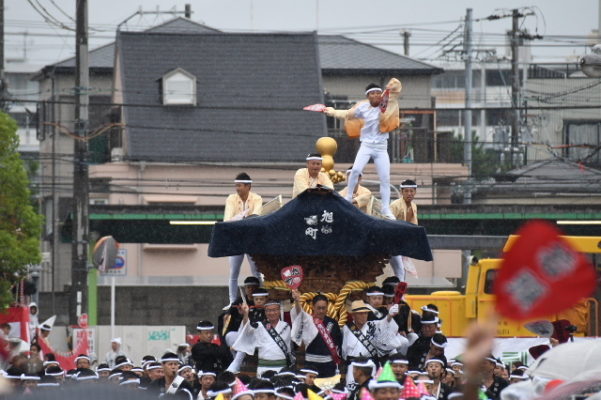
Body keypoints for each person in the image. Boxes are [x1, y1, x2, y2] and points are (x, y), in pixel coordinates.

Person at [324, 79, 402, 219]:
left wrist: (392, 85)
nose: (376, 95)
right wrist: (332, 112)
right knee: (355, 170)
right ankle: (348, 197)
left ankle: (385, 208)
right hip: (366, 145)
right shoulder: (362, 107)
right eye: (372, 93)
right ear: (368, 96)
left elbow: (396, 90)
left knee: (385, 178)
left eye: (378, 93)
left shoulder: (387, 106)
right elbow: (347, 114)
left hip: (381, 147)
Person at [224, 172, 263, 308]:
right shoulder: (231, 199)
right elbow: (227, 221)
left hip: (252, 240)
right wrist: (244, 217)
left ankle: (262, 297)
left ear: (248, 186)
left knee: (257, 271)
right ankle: (232, 301)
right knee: (234, 272)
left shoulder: (257, 198)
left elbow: (256, 218)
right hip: (236, 240)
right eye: (236, 185)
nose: (237, 188)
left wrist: (239, 219)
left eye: (239, 185)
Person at [341, 300, 400, 384]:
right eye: (360, 313)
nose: (363, 316)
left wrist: (390, 315)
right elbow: (344, 350)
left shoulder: (373, 325)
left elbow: (384, 323)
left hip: (369, 364)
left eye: (365, 313)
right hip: (353, 364)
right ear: (353, 315)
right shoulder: (347, 328)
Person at [290, 290, 343, 378]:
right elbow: (299, 314)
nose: (321, 311)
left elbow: (338, 343)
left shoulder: (332, 323)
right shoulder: (308, 320)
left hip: (328, 366)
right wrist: (297, 301)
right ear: (313, 307)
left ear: (327, 308)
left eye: (324, 308)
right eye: (319, 308)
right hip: (311, 365)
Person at [233, 300, 292, 377]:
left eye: (275, 310)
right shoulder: (259, 326)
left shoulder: (286, 326)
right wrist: (246, 314)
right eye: (269, 310)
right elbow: (246, 330)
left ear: (279, 311)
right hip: (263, 368)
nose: (272, 313)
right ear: (265, 312)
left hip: (281, 368)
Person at [389, 179, 418, 281]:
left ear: (415, 192)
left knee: (402, 270)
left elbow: (413, 225)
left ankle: (400, 294)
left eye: (411, 191)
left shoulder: (414, 206)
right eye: (406, 191)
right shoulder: (395, 205)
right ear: (401, 192)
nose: (409, 193)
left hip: (402, 243)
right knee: (400, 270)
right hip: (392, 242)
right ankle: (399, 295)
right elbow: (388, 224)